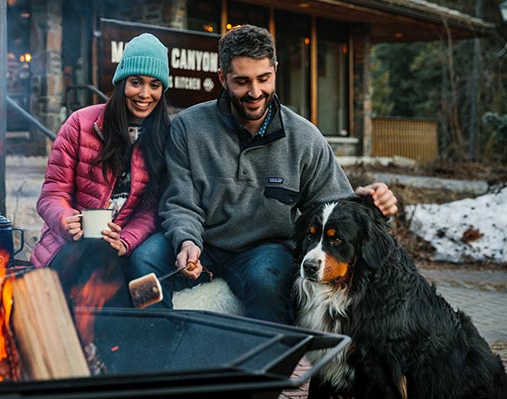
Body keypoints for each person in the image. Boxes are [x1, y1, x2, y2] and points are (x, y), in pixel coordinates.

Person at [128, 25, 398, 324]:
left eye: (263, 79)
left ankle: (272, 365)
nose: (255, 92)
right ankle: (155, 349)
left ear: (275, 70)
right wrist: (186, 241)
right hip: (201, 244)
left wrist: (369, 205)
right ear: (222, 78)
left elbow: (334, 208)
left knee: (267, 278)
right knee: (145, 260)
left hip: (265, 253)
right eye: (242, 81)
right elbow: (180, 201)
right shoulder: (188, 127)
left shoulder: (305, 138)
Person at [30, 33, 171, 308]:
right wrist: (65, 219)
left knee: (108, 259)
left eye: (154, 85)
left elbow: (151, 210)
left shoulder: (163, 137)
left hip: (115, 255)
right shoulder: (80, 124)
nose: (144, 94)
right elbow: (50, 196)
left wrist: (126, 241)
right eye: (136, 82)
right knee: (96, 251)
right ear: (121, 83)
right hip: (67, 248)